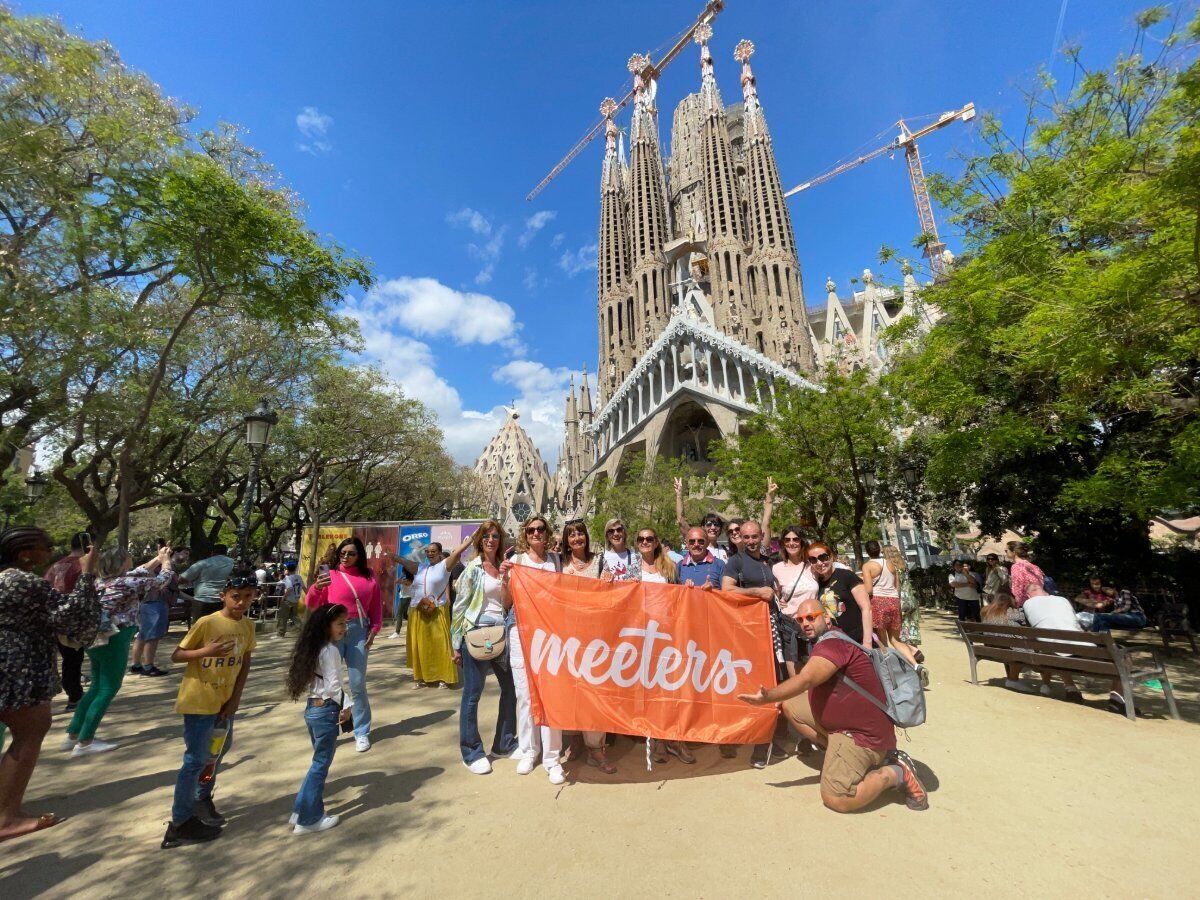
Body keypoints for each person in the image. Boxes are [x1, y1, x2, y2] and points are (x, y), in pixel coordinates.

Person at [738, 597, 929, 813]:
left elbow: (806, 680)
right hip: (847, 727)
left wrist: (767, 697)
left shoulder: (832, 645)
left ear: (827, 619)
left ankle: (896, 772)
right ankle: (841, 754)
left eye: (811, 617)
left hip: (862, 736)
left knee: (836, 798)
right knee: (790, 705)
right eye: (800, 620)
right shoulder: (832, 639)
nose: (805, 623)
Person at [0, 527, 99, 843]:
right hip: (18, 668)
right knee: (29, 732)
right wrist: (87, 575)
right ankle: (7, 817)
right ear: (24, 553)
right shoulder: (21, 581)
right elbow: (76, 617)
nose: (51, 551)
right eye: (45, 546)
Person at [161, 570, 257, 848]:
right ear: (223, 596)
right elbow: (177, 654)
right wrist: (205, 652)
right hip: (200, 701)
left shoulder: (248, 627)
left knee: (218, 751)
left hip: (225, 702)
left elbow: (245, 663)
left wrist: (235, 698)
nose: (241, 602)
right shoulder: (207, 623)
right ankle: (179, 823)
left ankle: (202, 798)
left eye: (247, 597)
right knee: (195, 759)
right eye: (235, 597)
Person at [64, 545, 175, 756]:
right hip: (115, 637)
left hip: (95, 638)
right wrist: (167, 562)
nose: (132, 559)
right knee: (108, 688)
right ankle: (85, 741)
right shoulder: (127, 582)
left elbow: (139, 570)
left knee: (96, 686)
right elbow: (161, 581)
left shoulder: (101, 581)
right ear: (122, 562)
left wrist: (158, 558)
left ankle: (73, 733)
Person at [500, 515, 565, 785]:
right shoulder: (516, 562)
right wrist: (505, 580)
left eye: (540, 529)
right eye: (531, 530)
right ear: (524, 534)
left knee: (551, 692)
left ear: (547, 533)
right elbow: (506, 603)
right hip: (522, 631)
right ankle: (529, 750)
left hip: (550, 633)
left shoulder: (555, 561)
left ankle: (552, 757)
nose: (536, 533)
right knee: (525, 695)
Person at [450, 521, 517, 775]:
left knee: (511, 689)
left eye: (495, 536)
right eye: (486, 536)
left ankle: (504, 743)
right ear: (479, 540)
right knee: (472, 695)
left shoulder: (502, 568)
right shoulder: (472, 570)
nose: (491, 540)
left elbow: (507, 603)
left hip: (501, 634)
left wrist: (506, 578)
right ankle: (471, 751)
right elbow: (459, 608)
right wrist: (456, 644)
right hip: (476, 634)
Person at [306, 537, 384, 751]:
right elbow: (312, 604)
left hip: (359, 630)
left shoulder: (369, 577)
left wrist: (374, 629)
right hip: (332, 631)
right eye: (342, 553)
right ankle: (329, 730)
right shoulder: (330, 575)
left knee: (358, 684)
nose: (346, 557)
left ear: (359, 555)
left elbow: (376, 606)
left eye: (351, 553)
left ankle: (361, 731)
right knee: (330, 684)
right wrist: (315, 588)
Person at [284, 604, 349, 834]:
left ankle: (301, 812)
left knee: (317, 763)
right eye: (340, 623)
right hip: (325, 710)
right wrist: (348, 705)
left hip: (313, 709)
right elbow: (333, 687)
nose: (344, 628)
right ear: (327, 626)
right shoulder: (330, 651)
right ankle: (309, 819)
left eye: (345, 623)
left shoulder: (316, 648)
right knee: (320, 765)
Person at [721, 520, 780, 768]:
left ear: (762, 536)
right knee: (754, 683)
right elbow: (726, 590)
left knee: (773, 683)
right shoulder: (736, 561)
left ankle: (767, 739)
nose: (750, 541)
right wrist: (757, 593)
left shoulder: (768, 560)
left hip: (773, 629)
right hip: (748, 632)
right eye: (745, 537)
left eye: (754, 536)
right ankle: (753, 740)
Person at [561, 518, 618, 773]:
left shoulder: (600, 561)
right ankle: (574, 738)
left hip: (595, 637)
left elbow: (611, 594)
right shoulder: (559, 564)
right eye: (571, 535)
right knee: (571, 690)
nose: (576, 539)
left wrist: (608, 582)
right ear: (566, 540)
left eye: (580, 534)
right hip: (567, 636)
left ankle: (596, 748)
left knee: (595, 691)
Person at [634, 527, 694, 766]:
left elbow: (679, 596)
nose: (645, 542)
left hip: (668, 633)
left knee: (671, 687)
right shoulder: (632, 567)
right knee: (651, 689)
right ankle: (658, 739)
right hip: (642, 635)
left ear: (657, 541)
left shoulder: (669, 566)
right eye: (641, 539)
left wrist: (687, 587)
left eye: (649, 538)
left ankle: (675, 738)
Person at [396, 537, 472, 691]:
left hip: (437, 609)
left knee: (441, 645)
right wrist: (394, 557)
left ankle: (444, 677)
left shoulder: (444, 566)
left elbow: (458, 551)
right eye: (428, 551)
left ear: (439, 553)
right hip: (417, 610)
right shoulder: (421, 567)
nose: (430, 554)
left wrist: (471, 539)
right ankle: (420, 677)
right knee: (420, 646)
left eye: (433, 551)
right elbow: (405, 563)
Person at [44, 532, 89, 710]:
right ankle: (74, 696)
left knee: (67, 659)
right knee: (73, 660)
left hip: (53, 617)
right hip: (72, 618)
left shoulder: (55, 566)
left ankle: (73, 692)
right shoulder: (82, 566)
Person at [861, 540, 919, 669]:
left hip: (878, 601)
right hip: (893, 601)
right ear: (879, 549)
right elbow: (897, 587)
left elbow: (869, 589)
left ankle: (890, 667)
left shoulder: (868, 566)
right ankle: (915, 665)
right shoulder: (890, 564)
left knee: (882, 640)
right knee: (896, 639)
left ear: (867, 552)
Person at [131, 547, 189, 676]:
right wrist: (164, 559)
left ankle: (136, 665)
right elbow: (152, 576)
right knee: (153, 636)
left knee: (143, 634)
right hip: (155, 603)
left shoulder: (170, 567)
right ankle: (148, 666)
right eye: (185, 553)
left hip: (150, 603)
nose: (186, 557)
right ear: (175, 552)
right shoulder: (164, 566)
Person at [807, 541, 873, 645]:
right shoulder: (817, 584)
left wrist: (867, 642)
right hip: (834, 642)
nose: (819, 563)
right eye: (813, 560)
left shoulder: (847, 576)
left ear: (831, 557)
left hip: (857, 640)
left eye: (823, 557)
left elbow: (866, 608)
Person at [772, 525, 817, 678]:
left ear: (802, 542)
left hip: (814, 625)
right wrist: (779, 600)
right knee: (797, 680)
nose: (791, 543)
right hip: (789, 626)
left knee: (816, 676)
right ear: (783, 543)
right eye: (787, 540)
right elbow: (775, 594)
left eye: (795, 539)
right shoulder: (777, 568)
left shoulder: (813, 565)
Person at [673, 477, 729, 561]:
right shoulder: (697, 547)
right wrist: (679, 495)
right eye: (709, 524)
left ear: (720, 528)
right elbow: (681, 520)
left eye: (716, 524)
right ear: (702, 527)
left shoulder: (725, 550)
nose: (713, 528)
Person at [178, 544, 235, 626]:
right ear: (226, 553)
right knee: (219, 628)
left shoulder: (203, 563)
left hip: (202, 600)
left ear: (212, 553)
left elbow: (182, 579)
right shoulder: (233, 563)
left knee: (200, 629)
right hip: (223, 600)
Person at [1005, 541, 1045, 609]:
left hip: (1027, 604)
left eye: (1006, 550)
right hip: (1040, 600)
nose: (1005, 552)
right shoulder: (1033, 566)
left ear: (1014, 552)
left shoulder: (1016, 566)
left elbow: (1017, 589)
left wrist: (1018, 605)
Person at [275, 560, 304, 639]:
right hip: (296, 599)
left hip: (288, 600)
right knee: (294, 616)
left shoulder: (288, 578)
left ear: (287, 569)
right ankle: (303, 630)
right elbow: (304, 587)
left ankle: (280, 634)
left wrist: (283, 597)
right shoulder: (299, 577)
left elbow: (289, 588)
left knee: (282, 616)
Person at [388, 569, 414, 640]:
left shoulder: (408, 580)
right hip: (405, 597)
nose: (402, 573)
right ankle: (415, 622)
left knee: (399, 614)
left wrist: (401, 575)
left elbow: (396, 582)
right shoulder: (408, 579)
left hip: (405, 598)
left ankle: (397, 632)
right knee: (405, 615)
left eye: (403, 572)